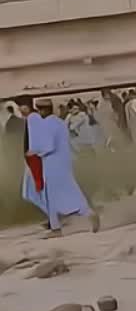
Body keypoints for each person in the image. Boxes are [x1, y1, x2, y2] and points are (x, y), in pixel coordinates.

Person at [17, 97, 98, 233]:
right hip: (61, 162)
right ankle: (84, 214)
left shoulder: (45, 123)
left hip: (50, 163)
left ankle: (59, 225)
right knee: (64, 194)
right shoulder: (59, 122)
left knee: (50, 196)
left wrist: (34, 152)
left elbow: (48, 146)